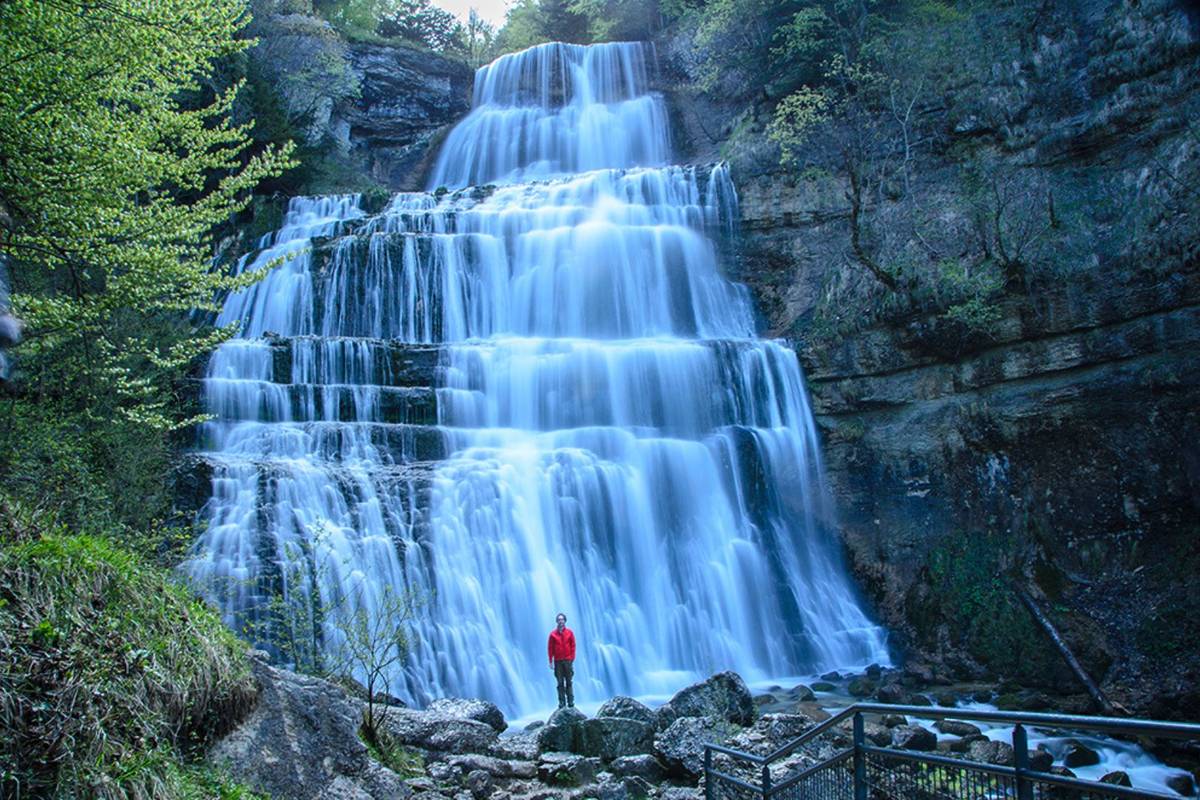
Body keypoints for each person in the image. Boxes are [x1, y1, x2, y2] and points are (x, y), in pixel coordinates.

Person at [547, 612, 575, 708]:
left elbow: (573, 646)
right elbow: (550, 648)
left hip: (567, 660)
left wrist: (572, 658)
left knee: (569, 681)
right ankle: (562, 702)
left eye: (562, 619)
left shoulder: (570, 633)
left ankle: (571, 702)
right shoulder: (552, 634)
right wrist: (550, 661)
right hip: (558, 661)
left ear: (565, 621)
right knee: (560, 683)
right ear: (557, 621)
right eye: (559, 620)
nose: (560, 621)